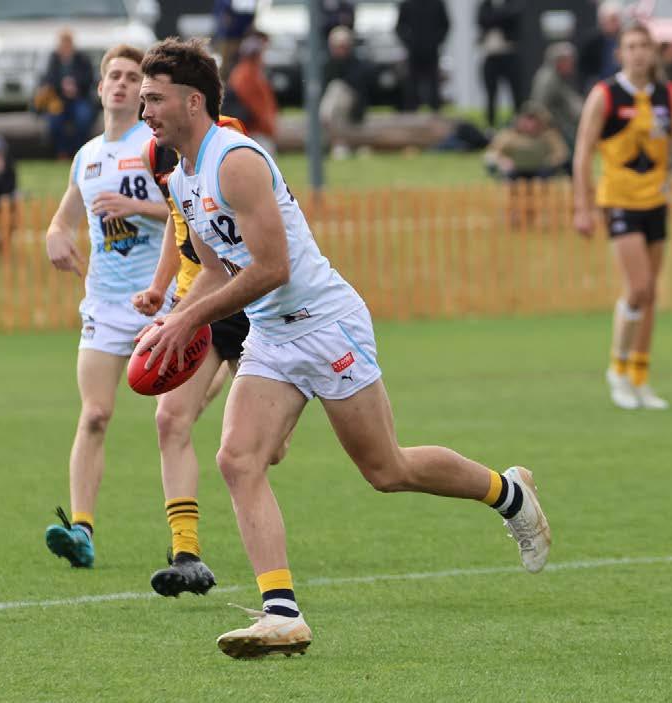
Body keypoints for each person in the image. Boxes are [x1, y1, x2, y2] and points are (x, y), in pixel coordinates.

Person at [136, 37, 551, 659]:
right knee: (237, 459)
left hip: (326, 324)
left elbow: (272, 267)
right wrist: (174, 320)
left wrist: (187, 319)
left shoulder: (235, 161)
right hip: (272, 334)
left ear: (193, 101)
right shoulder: (184, 178)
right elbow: (219, 272)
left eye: (154, 99)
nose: (145, 112)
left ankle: (508, 492)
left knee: (387, 470)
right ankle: (282, 614)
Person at [131, 113, 286, 597]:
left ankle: (220, 380)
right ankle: (186, 554)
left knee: (271, 451)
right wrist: (160, 288)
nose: (148, 109)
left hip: (250, 298)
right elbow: (176, 222)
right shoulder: (157, 152)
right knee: (169, 418)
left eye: (155, 95)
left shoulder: (229, 142)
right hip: (198, 302)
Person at [42, 45, 170, 569]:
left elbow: (182, 210)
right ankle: (82, 532)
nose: (121, 83)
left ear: (142, 93)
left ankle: (185, 542)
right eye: (113, 75)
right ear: (99, 88)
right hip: (104, 302)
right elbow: (65, 218)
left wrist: (133, 206)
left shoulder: (154, 147)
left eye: (132, 77)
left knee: (173, 419)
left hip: (159, 299)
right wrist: (54, 234)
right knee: (94, 414)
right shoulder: (88, 155)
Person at [573, 23, 672, 410]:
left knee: (651, 294)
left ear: (653, 53)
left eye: (643, 46)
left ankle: (640, 376)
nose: (637, 53)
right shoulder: (605, 95)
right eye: (630, 47)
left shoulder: (667, 93)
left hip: (655, 201)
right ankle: (616, 369)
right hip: (619, 200)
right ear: (620, 53)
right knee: (637, 287)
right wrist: (582, 206)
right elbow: (583, 151)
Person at [39, 30, 96, 160]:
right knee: (54, 120)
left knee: (83, 117)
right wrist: (62, 86)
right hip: (59, 99)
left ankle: (79, 150)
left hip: (79, 98)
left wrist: (75, 85)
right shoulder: (53, 59)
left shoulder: (82, 58)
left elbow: (89, 78)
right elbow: (48, 79)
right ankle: (62, 151)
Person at [320, 25, 372, 158]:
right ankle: (337, 143)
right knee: (334, 93)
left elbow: (359, 90)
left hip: (351, 105)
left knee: (337, 89)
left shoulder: (357, 64)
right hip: (332, 108)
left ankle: (339, 143)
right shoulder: (328, 65)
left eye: (342, 46)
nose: (339, 50)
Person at [484, 102, 568, 180]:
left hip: (541, 173)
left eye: (534, 119)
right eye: (527, 119)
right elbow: (492, 154)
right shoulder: (509, 135)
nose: (530, 124)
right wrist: (502, 160)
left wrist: (550, 161)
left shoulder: (549, 135)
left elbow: (561, 153)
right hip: (515, 173)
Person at [225, 33, 278, 154]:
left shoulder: (253, 72)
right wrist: (268, 125)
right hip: (255, 132)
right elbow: (255, 107)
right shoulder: (246, 74)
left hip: (258, 132)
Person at [396, 0, 450, 113]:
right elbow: (399, 27)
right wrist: (409, 42)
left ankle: (435, 111)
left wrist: (436, 42)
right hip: (414, 52)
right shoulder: (408, 4)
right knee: (412, 85)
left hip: (431, 51)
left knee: (433, 83)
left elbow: (445, 25)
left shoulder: (437, 4)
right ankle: (411, 112)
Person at [476, 0, 524, 126]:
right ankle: (490, 124)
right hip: (491, 55)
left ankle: (519, 123)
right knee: (490, 93)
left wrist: (494, 19)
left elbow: (512, 17)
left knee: (516, 93)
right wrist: (498, 18)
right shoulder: (485, 5)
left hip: (509, 54)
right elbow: (482, 20)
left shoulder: (511, 3)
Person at [530, 42, 584, 150]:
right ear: (559, 61)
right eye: (569, 60)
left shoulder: (558, 77)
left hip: (564, 126)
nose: (572, 64)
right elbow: (539, 108)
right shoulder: (547, 80)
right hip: (556, 130)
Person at [578, 1, 622, 91]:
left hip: (620, 82)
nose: (613, 24)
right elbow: (583, 68)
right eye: (610, 20)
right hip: (598, 84)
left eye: (615, 20)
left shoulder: (624, 39)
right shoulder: (591, 42)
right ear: (602, 20)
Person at [213, 0, 257, 82]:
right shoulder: (224, 5)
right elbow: (224, 16)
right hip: (229, 37)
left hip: (242, 35)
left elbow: (251, 13)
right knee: (226, 63)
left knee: (239, 64)